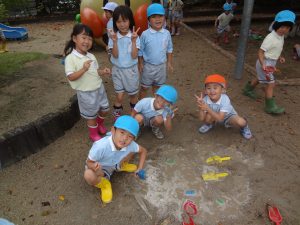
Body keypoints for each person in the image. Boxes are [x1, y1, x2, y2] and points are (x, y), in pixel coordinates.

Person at [84, 115, 147, 203]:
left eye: (130, 136)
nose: (124, 138)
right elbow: (88, 162)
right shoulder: (100, 146)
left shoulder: (131, 144)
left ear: (133, 139)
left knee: (130, 151)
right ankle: (105, 184)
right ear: (113, 130)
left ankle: (120, 166)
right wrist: (94, 166)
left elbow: (143, 151)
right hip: (101, 169)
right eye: (122, 132)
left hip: (116, 162)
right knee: (88, 175)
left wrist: (140, 168)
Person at [242, 10, 296, 114]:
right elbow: (261, 52)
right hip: (265, 62)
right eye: (283, 27)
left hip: (271, 62)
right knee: (271, 84)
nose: (285, 30)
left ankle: (247, 90)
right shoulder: (270, 38)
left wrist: (279, 56)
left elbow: (277, 48)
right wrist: (264, 65)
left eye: (288, 28)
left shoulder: (280, 36)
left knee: (259, 77)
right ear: (277, 25)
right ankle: (270, 107)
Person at [64, 24, 111, 142]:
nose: (87, 41)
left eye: (90, 39)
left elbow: (95, 71)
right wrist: (83, 69)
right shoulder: (70, 58)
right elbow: (71, 77)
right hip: (86, 92)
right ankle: (93, 133)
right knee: (91, 115)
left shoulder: (91, 56)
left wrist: (102, 72)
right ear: (74, 39)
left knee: (104, 109)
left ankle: (99, 124)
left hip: (99, 88)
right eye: (84, 38)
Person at [107, 5, 141, 121]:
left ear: (130, 20)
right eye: (118, 21)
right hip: (117, 70)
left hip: (131, 70)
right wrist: (115, 42)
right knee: (119, 96)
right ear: (115, 23)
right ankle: (117, 115)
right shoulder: (113, 37)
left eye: (125, 21)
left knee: (132, 95)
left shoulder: (135, 36)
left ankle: (133, 114)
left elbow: (134, 55)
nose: (122, 24)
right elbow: (115, 55)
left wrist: (133, 41)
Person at [195, 74, 252, 140]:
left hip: (228, 116)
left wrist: (207, 108)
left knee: (241, 122)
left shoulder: (225, 99)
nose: (212, 91)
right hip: (215, 115)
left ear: (222, 90)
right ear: (205, 91)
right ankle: (209, 124)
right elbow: (201, 119)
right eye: (208, 88)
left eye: (215, 88)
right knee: (208, 118)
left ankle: (245, 127)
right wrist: (201, 107)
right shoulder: (205, 99)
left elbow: (220, 119)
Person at [138, 3, 173, 99]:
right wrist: (140, 63)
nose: (158, 19)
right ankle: (140, 106)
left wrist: (169, 62)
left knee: (158, 88)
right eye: (154, 17)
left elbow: (169, 48)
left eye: (160, 16)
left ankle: (155, 106)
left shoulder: (167, 33)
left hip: (161, 67)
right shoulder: (145, 34)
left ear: (164, 17)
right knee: (144, 88)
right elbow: (140, 50)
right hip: (148, 67)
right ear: (148, 20)